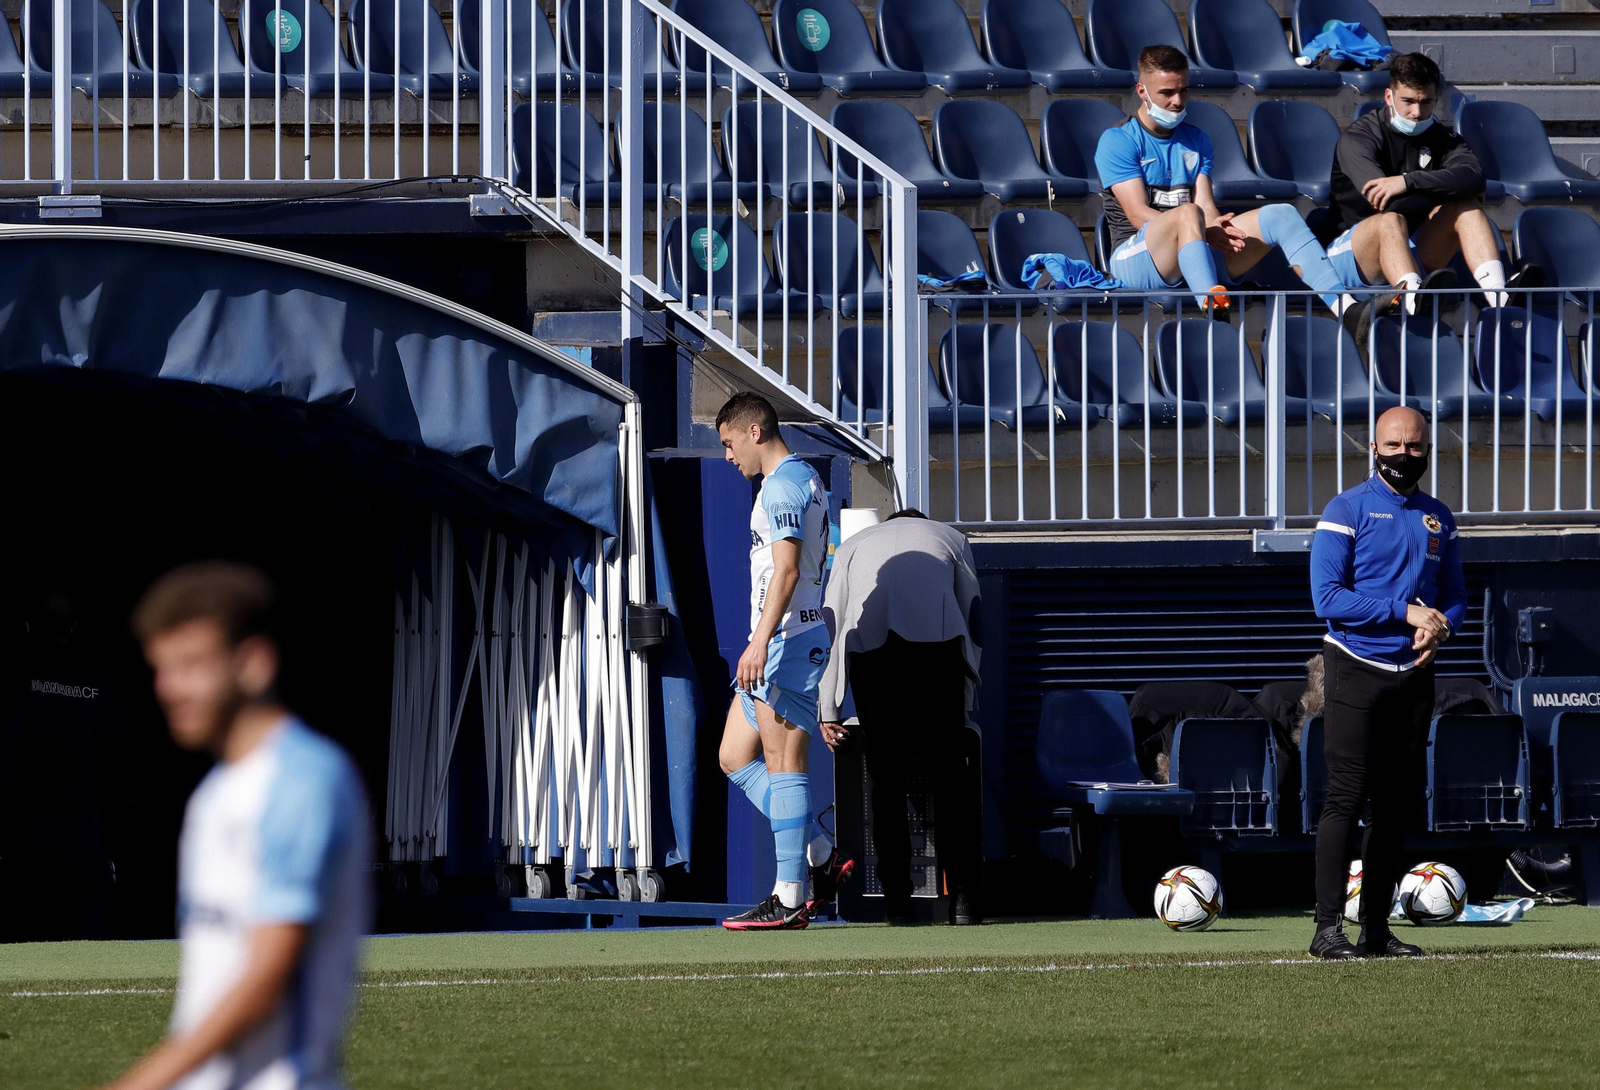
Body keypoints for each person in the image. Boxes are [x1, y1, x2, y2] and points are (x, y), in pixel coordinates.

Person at [103, 562, 370, 1090]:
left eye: (192, 665)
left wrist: (143, 1081)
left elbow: (267, 973)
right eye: (162, 668)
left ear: (253, 663)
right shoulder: (215, 794)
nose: (169, 688)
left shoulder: (302, 780)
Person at [1307, 407, 1467, 960]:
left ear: (1427, 451)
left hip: (1414, 676)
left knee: (1395, 806)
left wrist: (1440, 627)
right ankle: (1328, 930)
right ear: (1373, 447)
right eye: (1393, 445)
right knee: (1346, 797)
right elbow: (1327, 600)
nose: (1404, 455)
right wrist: (1406, 614)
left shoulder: (1439, 518)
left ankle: (1377, 929)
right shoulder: (1344, 509)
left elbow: (1455, 597)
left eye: (1415, 447)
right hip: (1354, 667)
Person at [714, 393, 854, 931]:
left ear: (754, 432)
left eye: (729, 443)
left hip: (786, 642)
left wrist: (759, 640)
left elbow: (789, 572)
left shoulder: (785, 485)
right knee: (733, 756)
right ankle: (819, 853)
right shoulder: (798, 482)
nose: (728, 456)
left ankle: (791, 894)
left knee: (784, 765)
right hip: (781, 638)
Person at [1096, 44, 1357, 323]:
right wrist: (1200, 227)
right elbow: (1137, 215)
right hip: (1135, 259)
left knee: (1281, 214)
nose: (1177, 101)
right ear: (1142, 91)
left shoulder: (1197, 139)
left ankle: (1347, 309)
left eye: (1183, 90)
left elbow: (1205, 205)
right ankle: (1215, 313)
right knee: (1187, 214)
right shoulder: (1119, 140)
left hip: (1192, 244)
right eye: (1167, 93)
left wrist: (1218, 226)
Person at [818, 510, 983, 925]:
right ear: (921, 520)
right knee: (949, 778)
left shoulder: (854, 546)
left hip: (873, 655)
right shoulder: (951, 536)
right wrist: (967, 696)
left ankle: (897, 903)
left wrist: (829, 707)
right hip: (937, 652)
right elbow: (974, 617)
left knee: (885, 781)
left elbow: (831, 624)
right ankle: (963, 900)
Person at [1325, 52, 1541, 339]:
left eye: (1426, 102)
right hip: (1351, 255)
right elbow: (1384, 201)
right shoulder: (1359, 137)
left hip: (1409, 250)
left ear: (1436, 98)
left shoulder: (1441, 137)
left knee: (1465, 207)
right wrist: (1442, 190)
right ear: (1389, 96)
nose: (1417, 112)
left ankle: (1501, 299)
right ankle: (1416, 303)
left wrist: (1408, 182)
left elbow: (1474, 178)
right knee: (1390, 220)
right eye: (1409, 101)